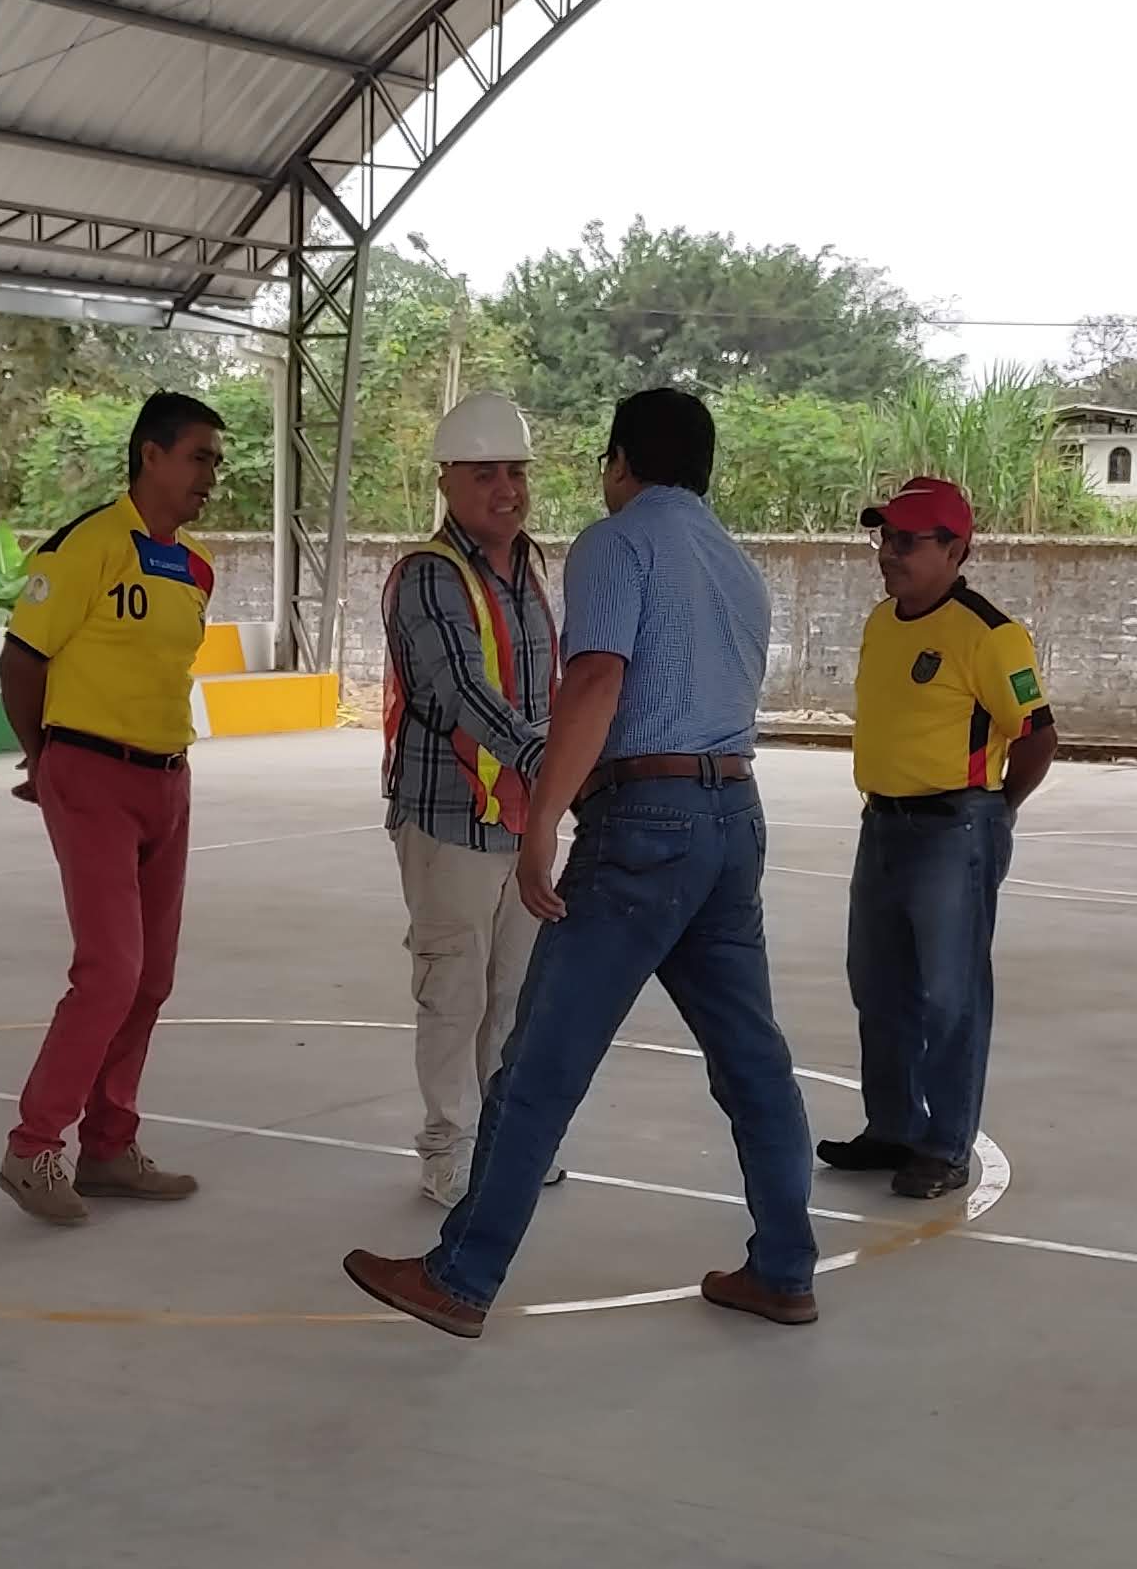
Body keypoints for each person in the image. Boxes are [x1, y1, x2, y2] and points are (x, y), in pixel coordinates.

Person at [341, 386, 821, 1339]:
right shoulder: (736, 563)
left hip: (644, 825)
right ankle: (784, 1270)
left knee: (540, 1060)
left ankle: (462, 1276)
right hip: (732, 818)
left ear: (619, 462)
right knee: (753, 1063)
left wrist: (542, 826)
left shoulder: (614, 544)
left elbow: (597, 678)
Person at [0, 391, 224, 1227]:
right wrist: (44, 758)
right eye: (198, 457)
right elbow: (20, 661)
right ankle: (32, 1149)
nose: (210, 476)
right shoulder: (86, 547)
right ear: (150, 456)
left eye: (216, 462)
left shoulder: (196, 568)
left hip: (168, 778)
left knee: (151, 978)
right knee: (110, 973)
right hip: (90, 773)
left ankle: (108, 1147)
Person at [822, 475, 1055, 1199]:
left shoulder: (990, 635)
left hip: (954, 831)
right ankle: (893, 1126)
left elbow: (1037, 735)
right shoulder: (882, 623)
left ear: (956, 551)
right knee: (878, 984)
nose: (889, 552)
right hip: (882, 826)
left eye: (908, 540)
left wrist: (994, 811)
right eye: (884, 537)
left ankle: (945, 1145)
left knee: (950, 994)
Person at [382, 390, 559, 1207]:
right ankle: (447, 1152)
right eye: (484, 473)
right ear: (446, 482)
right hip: (450, 819)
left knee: (516, 995)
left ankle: (505, 1145)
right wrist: (550, 762)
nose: (506, 489)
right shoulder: (430, 577)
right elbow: (461, 690)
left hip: (522, 822)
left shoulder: (530, 568)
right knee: (454, 993)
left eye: (516, 471)